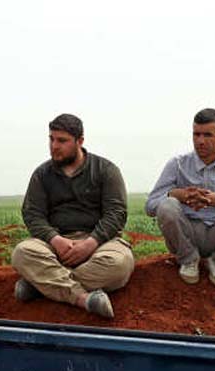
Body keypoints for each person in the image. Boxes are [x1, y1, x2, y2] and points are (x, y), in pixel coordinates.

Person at [11, 113, 134, 318]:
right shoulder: (42, 174)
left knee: (119, 264)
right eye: (51, 139)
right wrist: (55, 239)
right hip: (56, 243)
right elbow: (32, 214)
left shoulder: (106, 170)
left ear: (80, 141)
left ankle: (40, 286)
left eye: (62, 141)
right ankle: (82, 299)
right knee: (22, 253)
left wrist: (91, 243)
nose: (54, 146)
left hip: (100, 243)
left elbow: (116, 213)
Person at [145, 108, 215, 288]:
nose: (200, 141)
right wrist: (177, 195)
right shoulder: (177, 163)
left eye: (207, 135)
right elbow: (150, 206)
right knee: (167, 206)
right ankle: (188, 260)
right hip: (189, 231)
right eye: (196, 134)